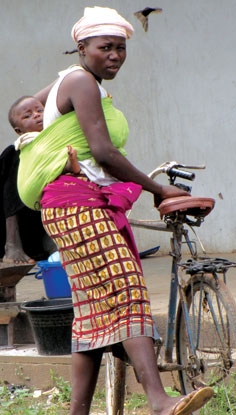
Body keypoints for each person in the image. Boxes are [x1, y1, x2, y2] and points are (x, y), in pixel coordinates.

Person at [17, 6, 213, 415]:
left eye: (121, 48)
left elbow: (28, 109)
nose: (115, 56)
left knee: (92, 308)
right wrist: (158, 188)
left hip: (70, 205)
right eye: (105, 47)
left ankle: (78, 412)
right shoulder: (81, 82)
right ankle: (158, 400)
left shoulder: (66, 82)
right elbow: (104, 153)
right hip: (79, 204)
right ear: (81, 48)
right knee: (126, 291)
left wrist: (37, 134)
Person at [9, 95, 81, 175]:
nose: (36, 115)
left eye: (40, 110)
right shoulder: (26, 141)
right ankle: (68, 166)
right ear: (19, 131)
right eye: (28, 116)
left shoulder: (57, 126)